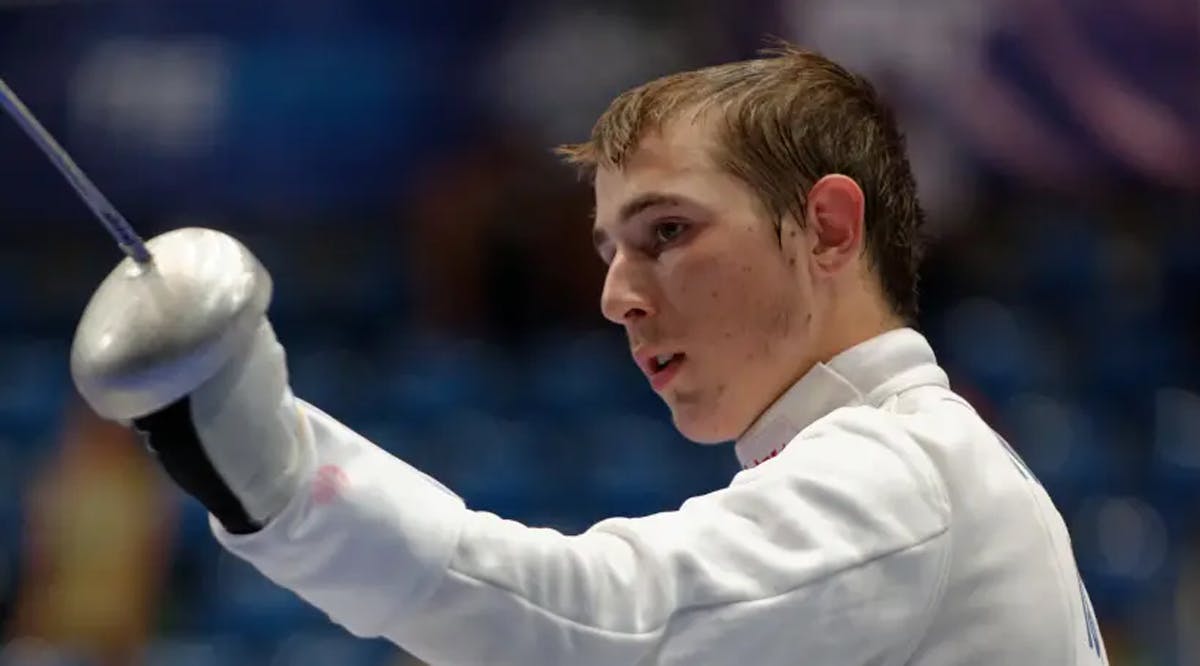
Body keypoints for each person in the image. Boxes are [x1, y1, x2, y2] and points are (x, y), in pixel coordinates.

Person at [69, 44, 1109, 665]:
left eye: (667, 234)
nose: (617, 296)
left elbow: (588, 628)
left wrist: (285, 480)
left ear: (830, 230)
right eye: (610, 249)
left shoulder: (902, 476)